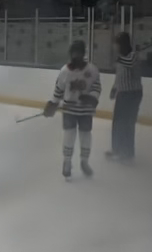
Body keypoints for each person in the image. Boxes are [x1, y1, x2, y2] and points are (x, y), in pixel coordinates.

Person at [44, 39, 102, 179]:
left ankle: (84, 161)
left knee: (85, 135)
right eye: (73, 53)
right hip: (69, 110)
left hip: (86, 111)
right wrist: (52, 103)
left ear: (83, 53)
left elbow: (96, 86)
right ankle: (67, 162)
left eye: (78, 53)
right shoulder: (64, 71)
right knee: (69, 135)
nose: (75, 56)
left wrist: (92, 97)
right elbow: (58, 90)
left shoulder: (92, 70)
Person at [107, 32, 143, 163]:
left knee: (127, 123)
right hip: (122, 93)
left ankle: (127, 152)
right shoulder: (121, 58)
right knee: (117, 122)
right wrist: (114, 88)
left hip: (132, 94)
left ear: (123, 44)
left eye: (116, 43)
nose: (115, 46)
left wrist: (118, 60)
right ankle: (117, 149)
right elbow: (119, 75)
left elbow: (130, 63)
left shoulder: (133, 56)